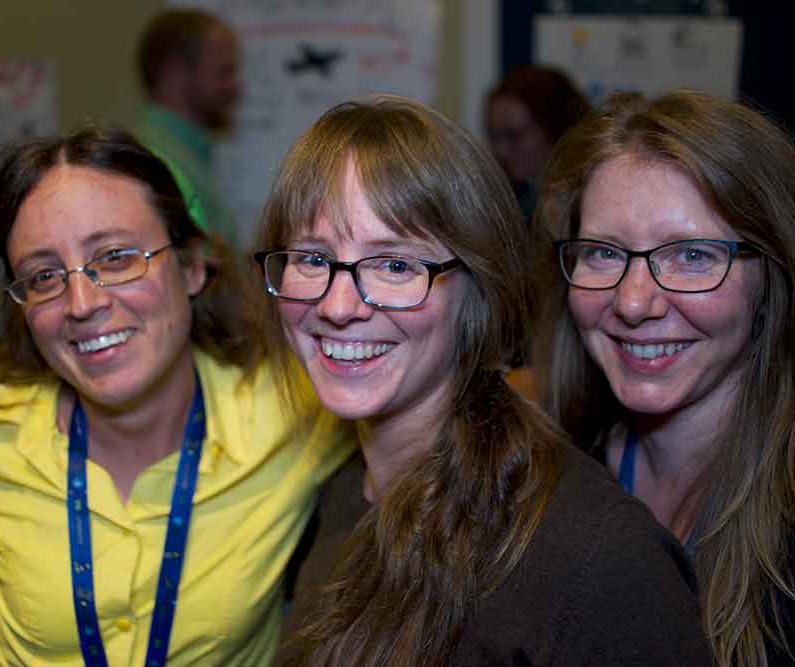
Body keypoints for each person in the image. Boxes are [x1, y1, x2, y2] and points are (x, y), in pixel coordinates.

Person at [0, 127, 353, 666]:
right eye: (44, 275)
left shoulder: (291, 413)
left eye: (116, 257)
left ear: (192, 266)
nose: (81, 302)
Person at [253, 94, 711, 666]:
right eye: (313, 260)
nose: (339, 305)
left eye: (396, 265)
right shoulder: (340, 490)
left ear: (480, 286)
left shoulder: (591, 559)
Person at [533, 89, 795, 667]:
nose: (634, 301)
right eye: (602, 253)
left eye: (691, 255)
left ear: (775, 273)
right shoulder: (555, 471)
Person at [134, 8, 242, 249]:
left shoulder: (189, 156)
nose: (236, 87)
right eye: (224, 72)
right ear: (176, 73)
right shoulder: (156, 160)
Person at [484, 64, 590, 221]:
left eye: (515, 136)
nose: (501, 151)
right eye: (494, 136)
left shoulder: (584, 205)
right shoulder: (520, 202)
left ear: (554, 128)